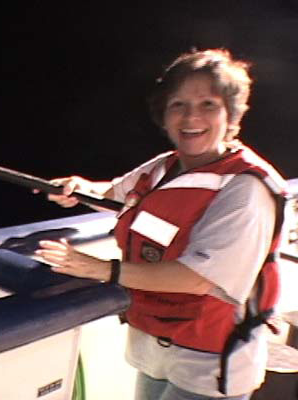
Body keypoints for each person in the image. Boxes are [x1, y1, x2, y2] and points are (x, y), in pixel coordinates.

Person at [35, 49, 288, 400]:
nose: (190, 117)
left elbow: (199, 278)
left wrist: (101, 270)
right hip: (153, 345)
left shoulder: (247, 189)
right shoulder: (165, 167)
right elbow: (115, 193)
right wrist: (79, 189)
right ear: (164, 116)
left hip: (210, 359)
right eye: (178, 105)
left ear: (231, 115)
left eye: (208, 105)